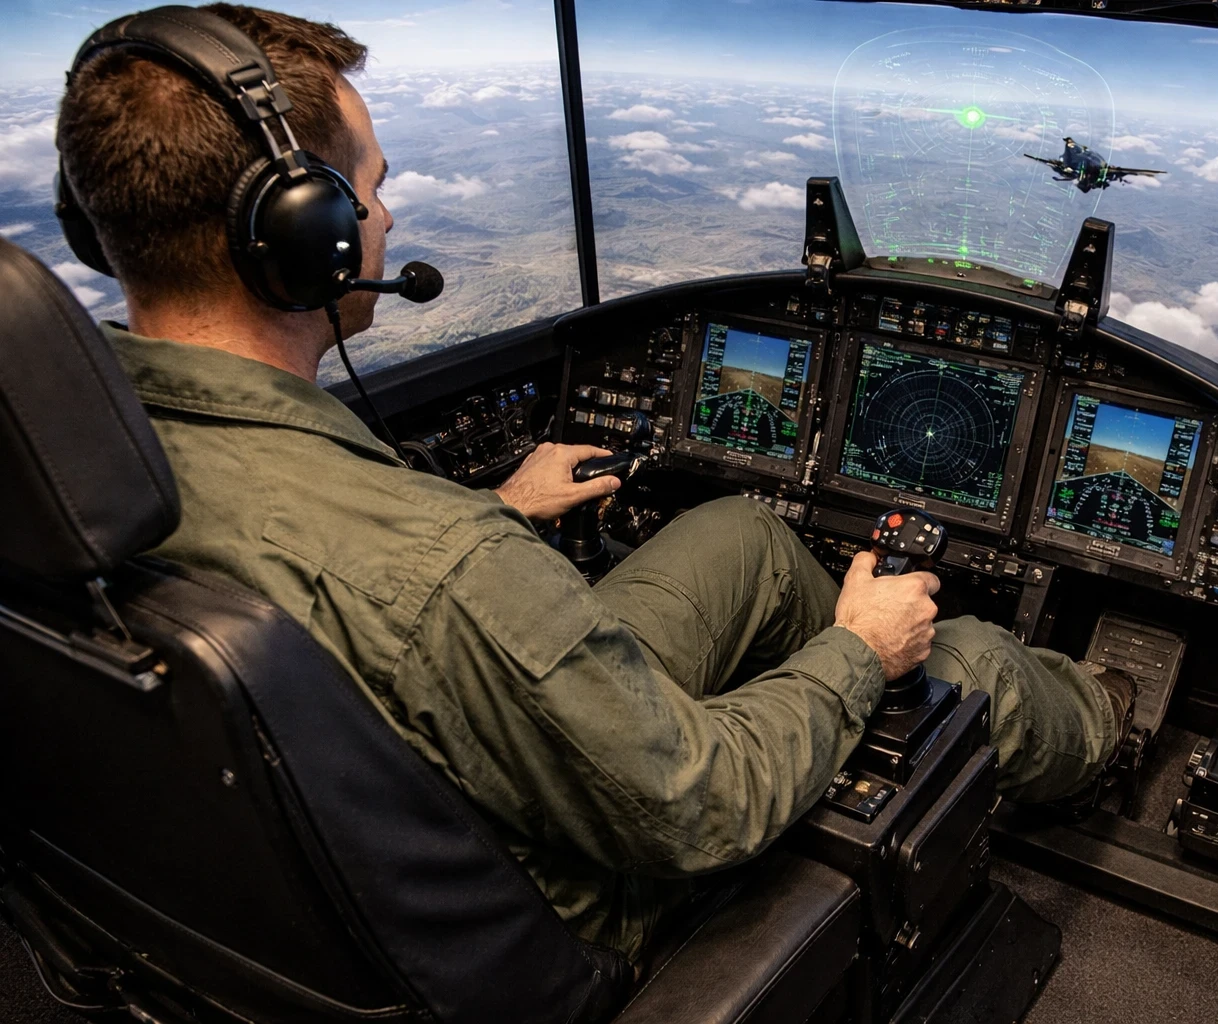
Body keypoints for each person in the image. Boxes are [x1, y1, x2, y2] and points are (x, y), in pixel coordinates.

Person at [56, 3, 1132, 962]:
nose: (383, 220)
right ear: (301, 233)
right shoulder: (442, 572)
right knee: (960, 654)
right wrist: (858, 652)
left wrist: (496, 512)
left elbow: (340, 594)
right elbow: (699, 805)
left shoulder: (75, 461)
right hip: (564, 905)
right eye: (369, 190)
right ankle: (1103, 722)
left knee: (746, 538)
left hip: (350, 837)